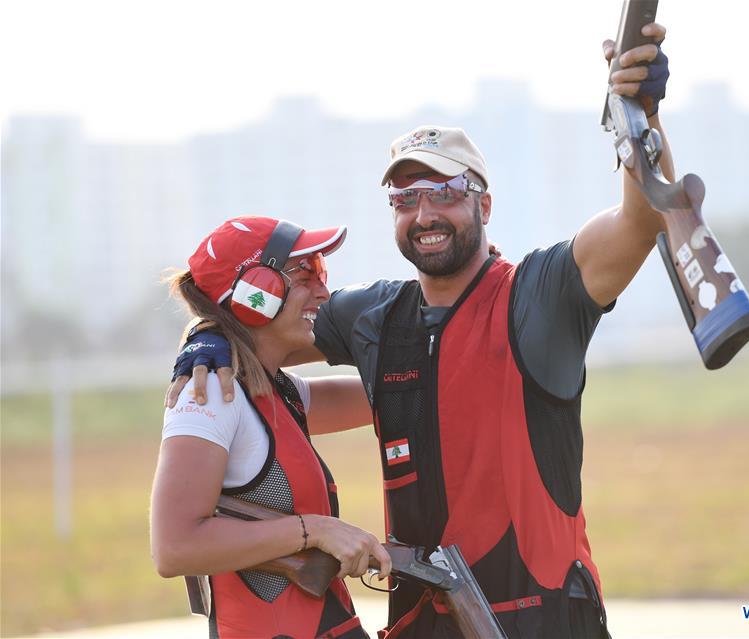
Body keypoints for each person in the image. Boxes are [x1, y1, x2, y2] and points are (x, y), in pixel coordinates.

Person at [167, 24, 672, 639]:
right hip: (420, 626)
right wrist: (205, 340)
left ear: (483, 205)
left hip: (540, 619)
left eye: (444, 192)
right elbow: (260, 326)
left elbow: (641, 220)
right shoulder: (375, 316)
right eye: (405, 198)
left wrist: (640, 117)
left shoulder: (540, 292)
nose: (424, 213)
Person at [151, 216, 392, 639]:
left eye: (322, 271)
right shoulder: (209, 393)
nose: (322, 290)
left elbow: (390, 394)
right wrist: (315, 530)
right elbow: (174, 547)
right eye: (305, 273)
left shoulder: (274, 389)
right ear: (254, 295)